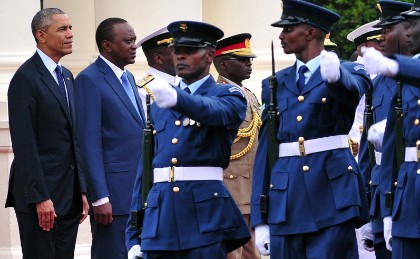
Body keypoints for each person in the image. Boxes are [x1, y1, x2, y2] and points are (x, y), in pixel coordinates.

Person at [250, 1, 372, 258]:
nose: (281, 36)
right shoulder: (275, 82)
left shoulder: (352, 70)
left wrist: (335, 75)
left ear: (311, 32)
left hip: (332, 192)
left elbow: (351, 91)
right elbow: (267, 148)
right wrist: (261, 217)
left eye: (288, 29)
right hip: (286, 195)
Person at [126, 20, 251, 259]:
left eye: (189, 51)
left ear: (209, 55)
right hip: (160, 216)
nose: (180, 56)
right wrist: (133, 232)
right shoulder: (162, 100)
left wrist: (178, 99)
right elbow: (146, 169)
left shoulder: (228, 94)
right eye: (177, 51)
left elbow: (216, 112)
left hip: (204, 216)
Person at [362, 0, 420, 258]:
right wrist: (389, 209)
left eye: (412, 24)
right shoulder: (407, 76)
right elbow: (395, 145)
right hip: (409, 199)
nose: (407, 31)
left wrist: (397, 65)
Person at [5, 8, 89, 259]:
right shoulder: (25, 79)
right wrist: (41, 198)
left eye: (71, 28)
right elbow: (24, 144)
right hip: (41, 199)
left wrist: (82, 190)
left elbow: (73, 139)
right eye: (62, 29)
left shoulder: (66, 76)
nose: (71, 34)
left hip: (69, 197)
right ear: (41, 35)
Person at [74, 17, 144, 259]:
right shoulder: (89, 79)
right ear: (107, 46)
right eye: (128, 41)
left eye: (134, 40)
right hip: (113, 198)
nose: (134, 46)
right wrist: (99, 197)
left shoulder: (130, 78)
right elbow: (88, 143)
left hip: (137, 194)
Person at [357, 1, 413, 259]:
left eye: (387, 30)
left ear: (409, 30)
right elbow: (367, 152)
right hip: (382, 192)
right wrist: (368, 209)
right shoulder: (376, 83)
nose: (381, 39)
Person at [213, 33, 262, 259]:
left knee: (254, 254)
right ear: (223, 64)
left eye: (249, 59)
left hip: (251, 188)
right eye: (242, 60)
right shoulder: (220, 96)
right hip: (232, 187)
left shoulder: (248, 94)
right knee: (233, 254)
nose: (249, 64)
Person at [346, 20, 383, 161]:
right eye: (379, 42)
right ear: (365, 46)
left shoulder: (384, 71)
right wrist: (351, 140)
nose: (383, 45)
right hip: (357, 144)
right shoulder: (352, 73)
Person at [136, 26, 179, 117]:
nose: (182, 56)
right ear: (158, 58)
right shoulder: (144, 90)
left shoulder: (183, 81)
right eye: (176, 52)